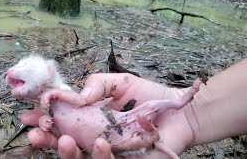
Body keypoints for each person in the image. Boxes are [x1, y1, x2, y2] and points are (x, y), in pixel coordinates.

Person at [20, 59, 247, 159]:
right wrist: (44, 122)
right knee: (115, 146)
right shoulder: (46, 109)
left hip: (121, 118)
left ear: (50, 75)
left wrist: (54, 94)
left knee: (148, 106)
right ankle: (145, 139)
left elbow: (80, 100)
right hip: (110, 139)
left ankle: (182, 101)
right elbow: (56, 131)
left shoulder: (61, 93)